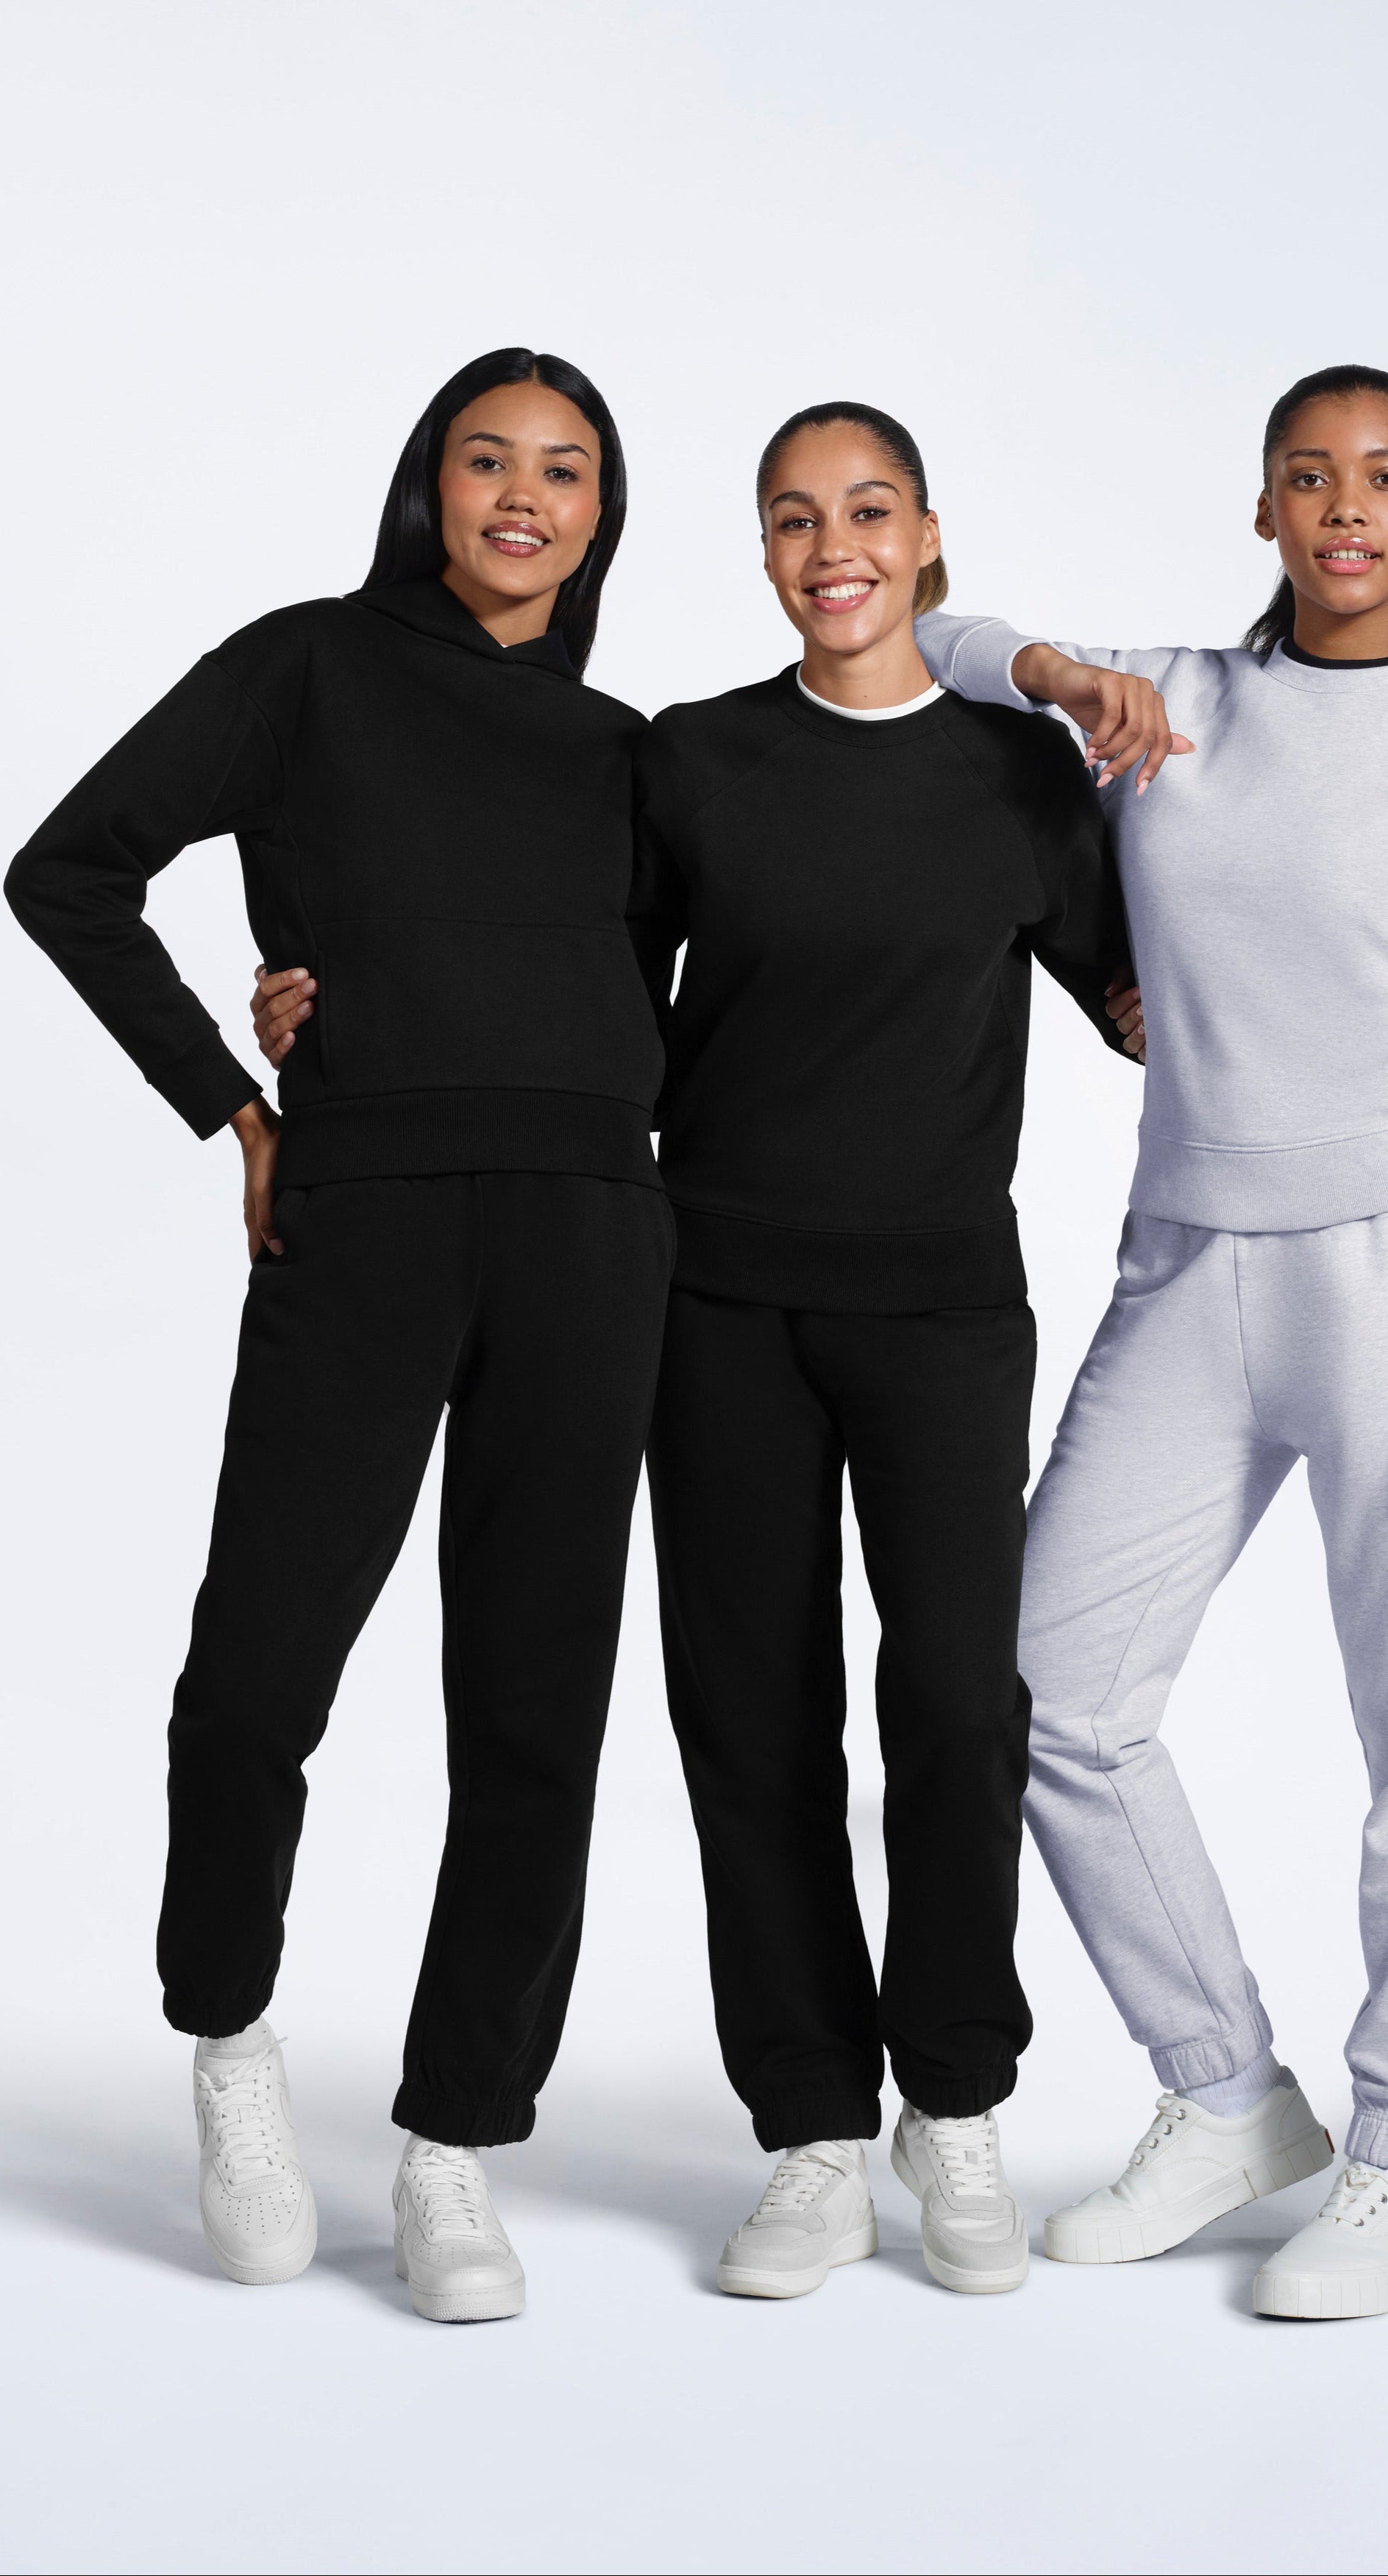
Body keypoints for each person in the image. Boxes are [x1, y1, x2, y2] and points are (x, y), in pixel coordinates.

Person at [914, 365, 1388, 2319]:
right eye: (1308, 479)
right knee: (1046, 1690)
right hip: (1190, 1259)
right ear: (1263, 513)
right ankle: (1226, 2092)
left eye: (1383, 480)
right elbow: (938, 640)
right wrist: (1055, 666)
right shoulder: (1172, 707)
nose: (1344, 509)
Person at [11, 347, 674, 2324]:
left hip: (591, 1232)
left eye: (564, 471)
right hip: (364, 1209)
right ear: (428, 485)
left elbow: (782, 934)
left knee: (534, 1712)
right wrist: (237, 1096)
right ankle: (228, 2045)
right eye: (488, 461)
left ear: (601, 516)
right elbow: (67, 869)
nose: (523, 499)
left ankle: (456, 2146)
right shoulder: (308, 668)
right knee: (255, 1676)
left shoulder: (639, 749)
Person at [627, 402, 1133, 2298]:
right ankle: (815, 2129)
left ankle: (957, 2100)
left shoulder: (1020, 773)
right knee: (749, 1714)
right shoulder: (694, 764)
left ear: (928, 537)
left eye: (865, 511)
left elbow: (1147, 1001)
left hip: (938, 1308)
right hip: (719, 1304)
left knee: (955, 1714)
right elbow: (582, 992)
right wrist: (317, 1001)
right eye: (790, 519)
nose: (829, 546)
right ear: (763, 554)